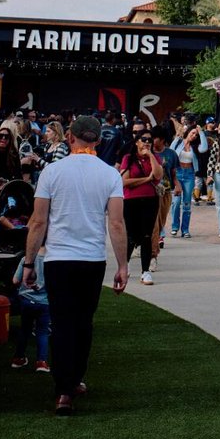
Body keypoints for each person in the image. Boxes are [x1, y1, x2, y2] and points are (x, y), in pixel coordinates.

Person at [22, 115, 127, 418]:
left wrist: (29, 262)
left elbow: (38, 220)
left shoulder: (52, 172)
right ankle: (73, 380)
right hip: (91, 259)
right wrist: (122, 265)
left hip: (58, 259)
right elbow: (117, 223)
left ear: (70, 136)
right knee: (83, 323)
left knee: (62, 322)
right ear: (98, 139)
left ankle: (64, 389)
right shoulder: (110, 174)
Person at [117, 133, 161, 286]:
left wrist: (150, 155)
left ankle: (145, 271)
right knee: (131, 235)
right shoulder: (128, 158)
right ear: (137, 142)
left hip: (150, 199)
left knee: (147, 235)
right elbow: (125, 182)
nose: (147, 142)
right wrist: (146, 180)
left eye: (150, 140)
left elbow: (158, 175)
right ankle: (125, 265)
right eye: (144, 140)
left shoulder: (154, 158)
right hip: (131, 200)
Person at [11, 249, 51, 373]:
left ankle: (18, 358)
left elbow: (15, 281)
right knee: (42, 331)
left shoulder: (26, 260)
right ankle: (41, 362)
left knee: (24, 329)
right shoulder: (52, 262)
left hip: (26, 300)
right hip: (44, 302)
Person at [169, 119, 202, 238]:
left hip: (189, 174)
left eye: (196, 134)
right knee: (176, 202)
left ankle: (185, 229)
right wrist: (179, 137)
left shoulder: (195, 146)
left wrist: (201, 132)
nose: (194, 136)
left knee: (187, 203)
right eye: (192, 133)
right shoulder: (178, 142)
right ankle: (174, 226)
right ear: (187, 132)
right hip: (178, 173)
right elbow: (171, 151)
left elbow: (204, 148)